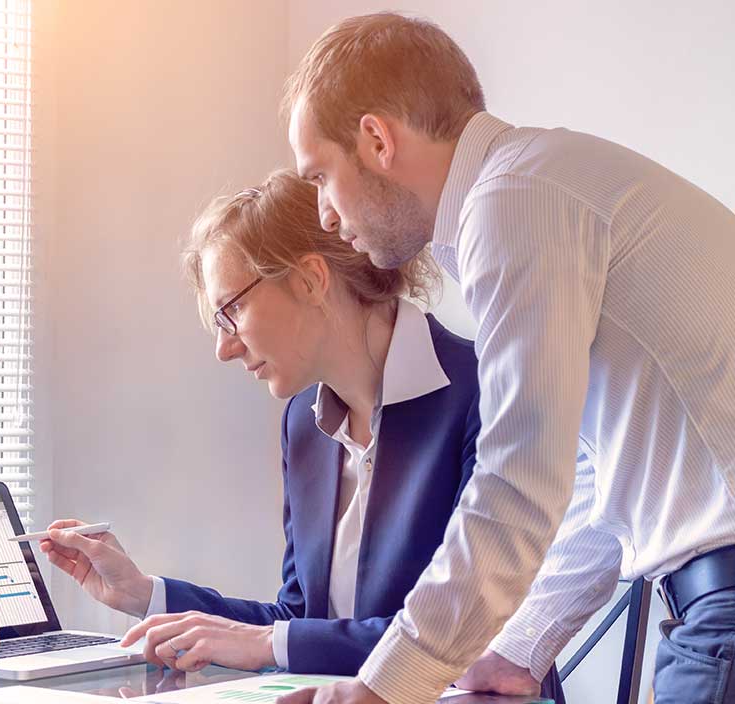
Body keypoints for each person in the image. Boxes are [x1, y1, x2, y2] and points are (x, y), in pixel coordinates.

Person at [278, 12, 735, 704]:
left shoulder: (515, 200)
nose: (325, 216)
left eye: (319, 177)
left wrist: (385, 687)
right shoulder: (542, 183)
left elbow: (518, 479)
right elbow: (590, 480)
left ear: (375, 139)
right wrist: (518, 650)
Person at [39, 170, 563, 700]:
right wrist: (145, 594)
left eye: (232, 311)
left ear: (310, 279)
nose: (225, 348)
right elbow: (297, 620)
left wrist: (272, 644)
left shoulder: (486, 392)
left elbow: (467, 640)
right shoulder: (304, 424)